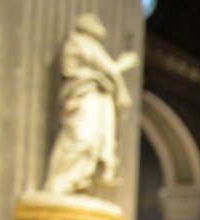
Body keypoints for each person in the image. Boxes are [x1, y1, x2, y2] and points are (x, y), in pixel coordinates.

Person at [42, 13, 139, 195]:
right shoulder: (80, 42)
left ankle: (81, 179)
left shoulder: (90, 45)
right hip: (82, 96)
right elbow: (108, 70)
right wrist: (122, 68)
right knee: (81, 136)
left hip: (97, 97)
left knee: (97, 138)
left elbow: (107, 71)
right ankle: (61, 181)